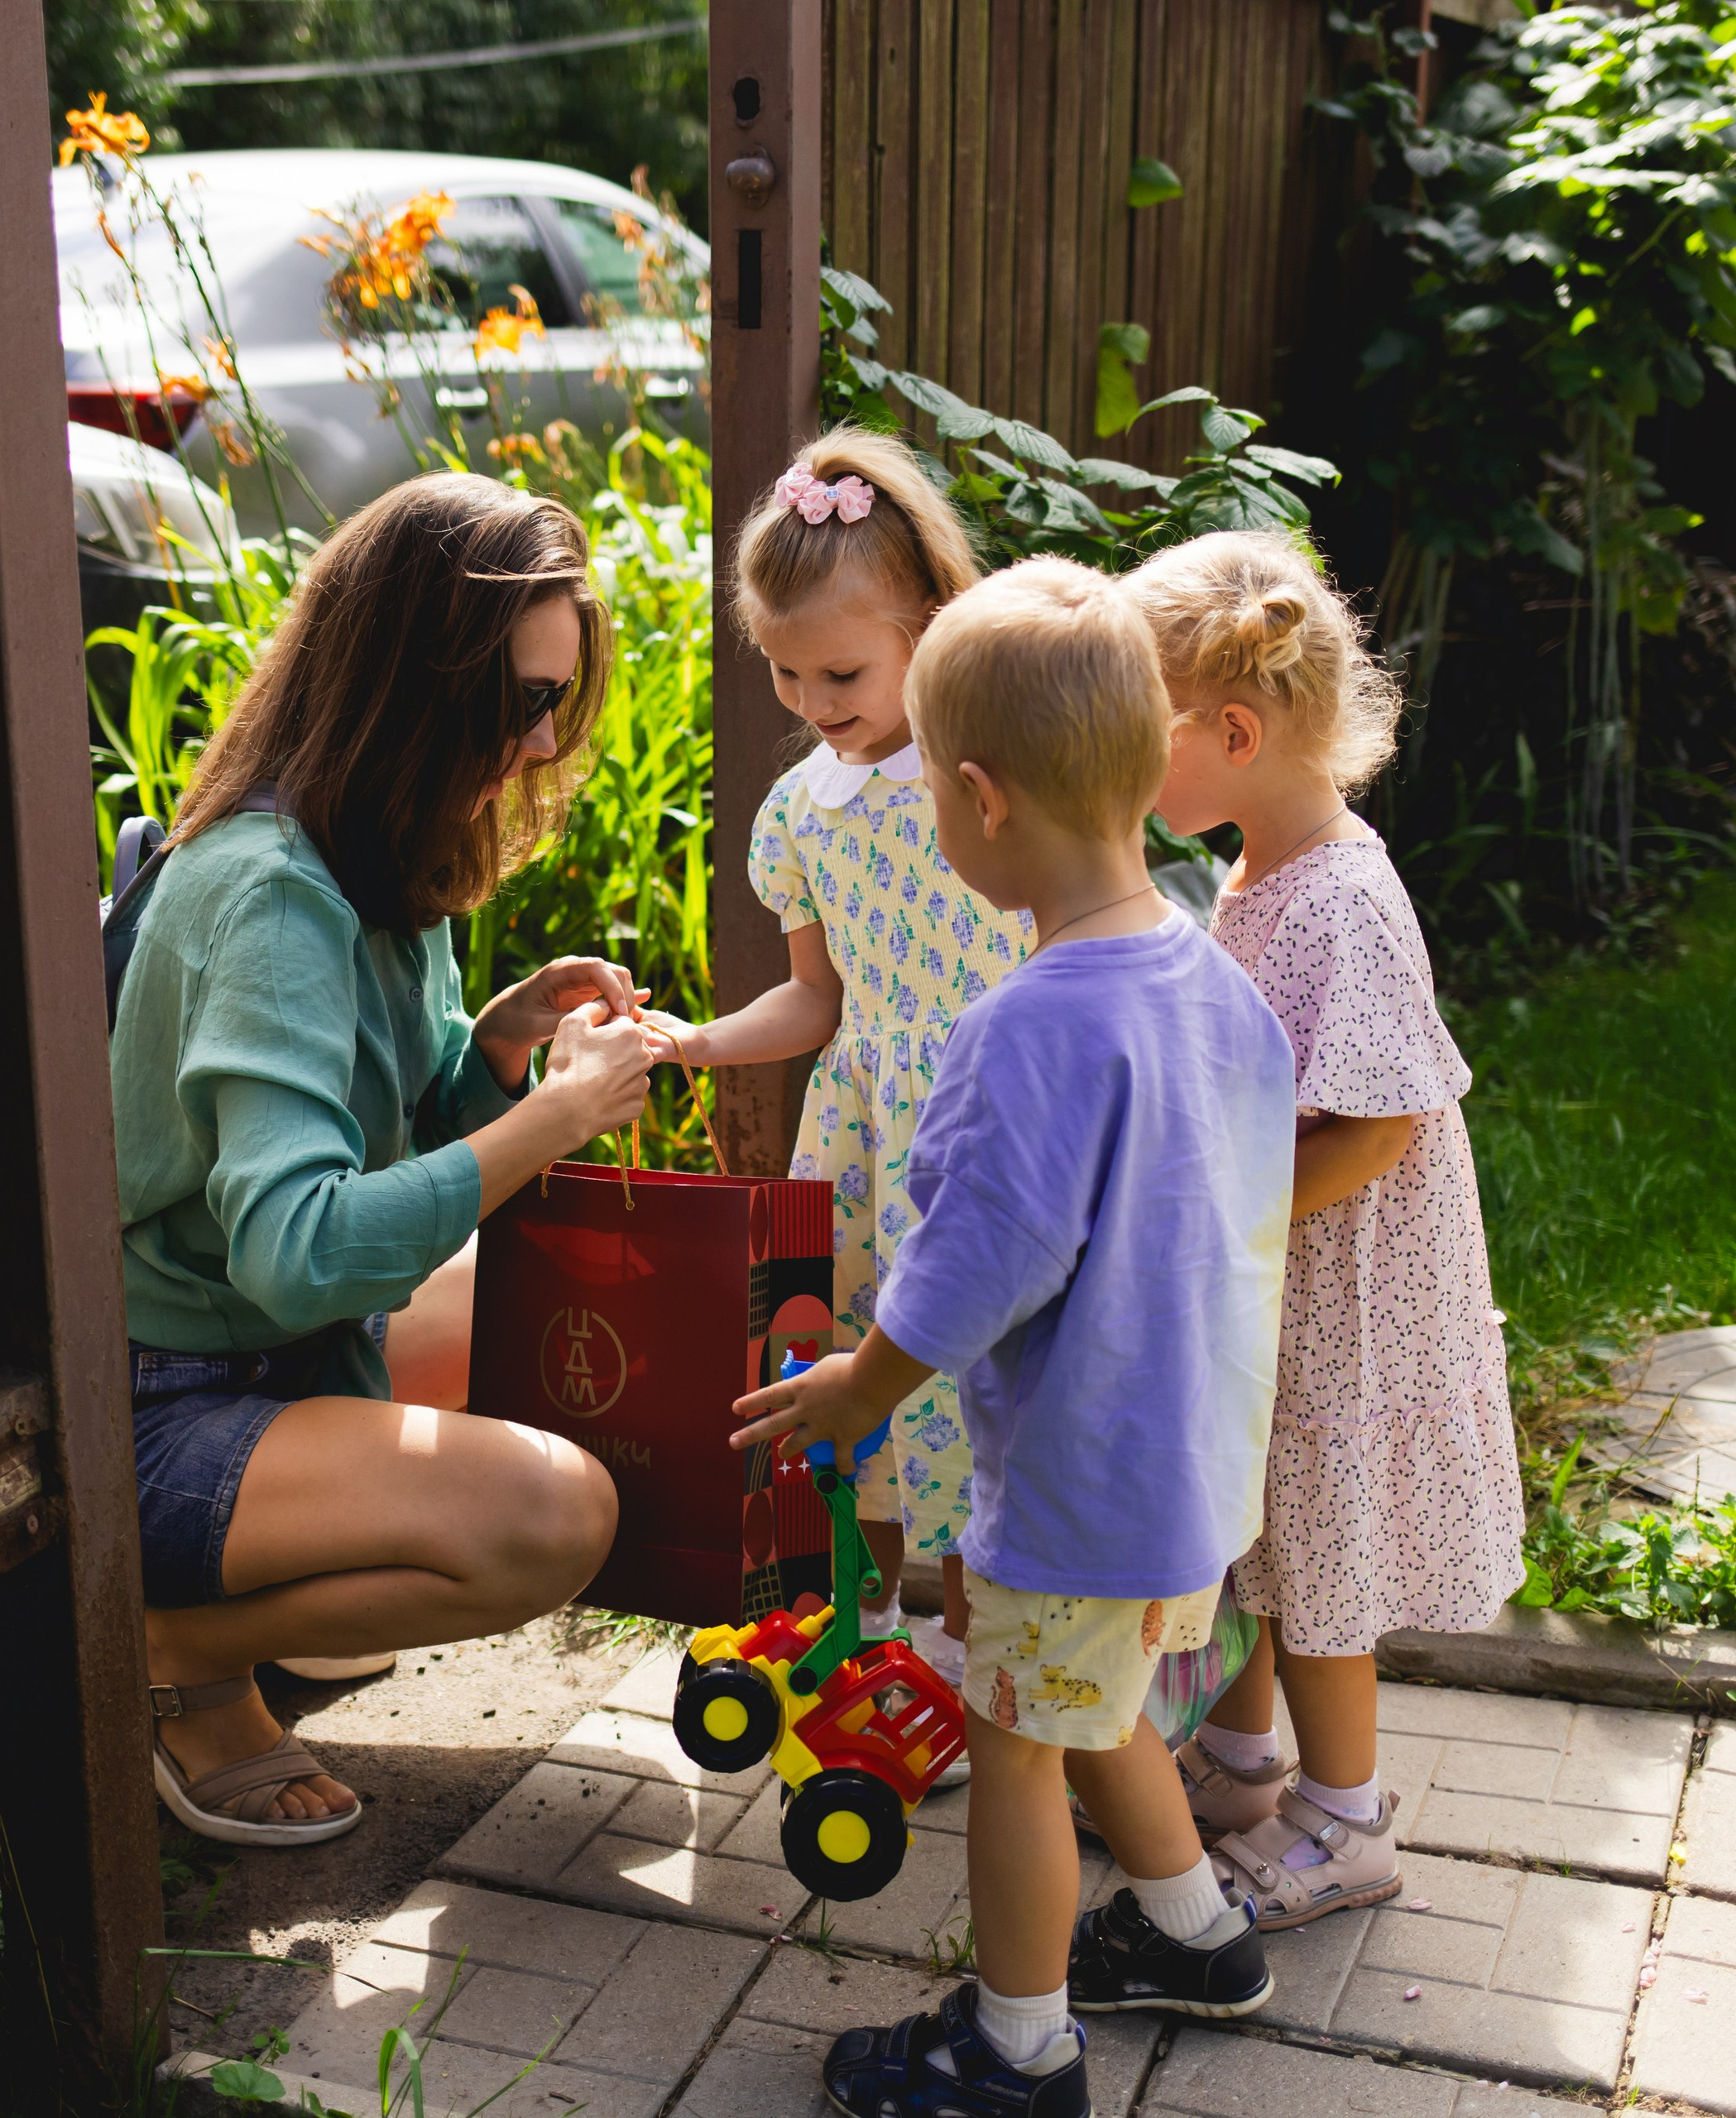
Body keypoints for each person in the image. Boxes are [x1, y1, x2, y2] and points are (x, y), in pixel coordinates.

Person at [731, 559, 1296, 2116]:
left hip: (1079, 1486)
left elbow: (973, 1263)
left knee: (1020, 1743)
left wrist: (860, 1383)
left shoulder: (1030, 1023)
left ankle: (1017, 2048)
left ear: (975, 801)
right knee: (1082, 1697)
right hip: (1188, 1464)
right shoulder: (1208, 976)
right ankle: (1198, 1937)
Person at [107, 475, 652, 1847]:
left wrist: (497, 1054)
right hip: (159, 1402)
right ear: (415, 680)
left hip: (268, 1351)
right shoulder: (276, 892)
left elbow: (379, 1150)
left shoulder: (383, 856)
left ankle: (259, 1604)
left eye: (554, 705)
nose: (538, 747)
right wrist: (549, 1125)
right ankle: (170, 1646)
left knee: (590, 1339)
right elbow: (297, 1252)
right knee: (551, 1516)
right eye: (521, 703)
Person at [1127, 530, 1525, 1925]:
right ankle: (1240, 1761)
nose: (1121, 763)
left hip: (1346, 1290)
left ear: (1233, 733)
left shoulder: (1341, 900)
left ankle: (1346, 1821)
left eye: (1140, 732)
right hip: (1291, 1275)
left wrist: (1220, 1217)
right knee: (1262, 1530)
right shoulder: (1259, 869)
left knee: (1317, 1545)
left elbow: (1381, 1127)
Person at [641, 429, 1034, 1701]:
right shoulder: (802, 813)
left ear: (932, 618)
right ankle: (877, 1640)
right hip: (866, 1139)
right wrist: (699, 1042)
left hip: (990, 1125)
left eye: (843, 670)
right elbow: (817, 1000)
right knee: (852, 1384)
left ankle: (989, 1662)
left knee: (980, 1384)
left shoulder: (995, 782)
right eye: (784, 672)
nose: (814, 701)